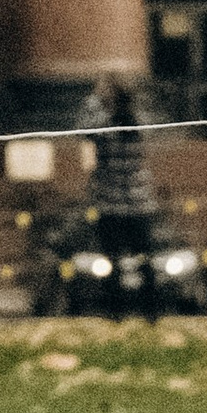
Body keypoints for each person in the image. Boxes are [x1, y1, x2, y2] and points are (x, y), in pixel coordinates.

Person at [85, 80, 159, 313]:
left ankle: (115, 310)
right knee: (144, 257)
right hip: (139, 202)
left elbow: (84, 130)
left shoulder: (105, 125)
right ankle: (150, 309)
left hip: (112, 203)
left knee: (113, 260)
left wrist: (95, 100)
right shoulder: (138, 121)